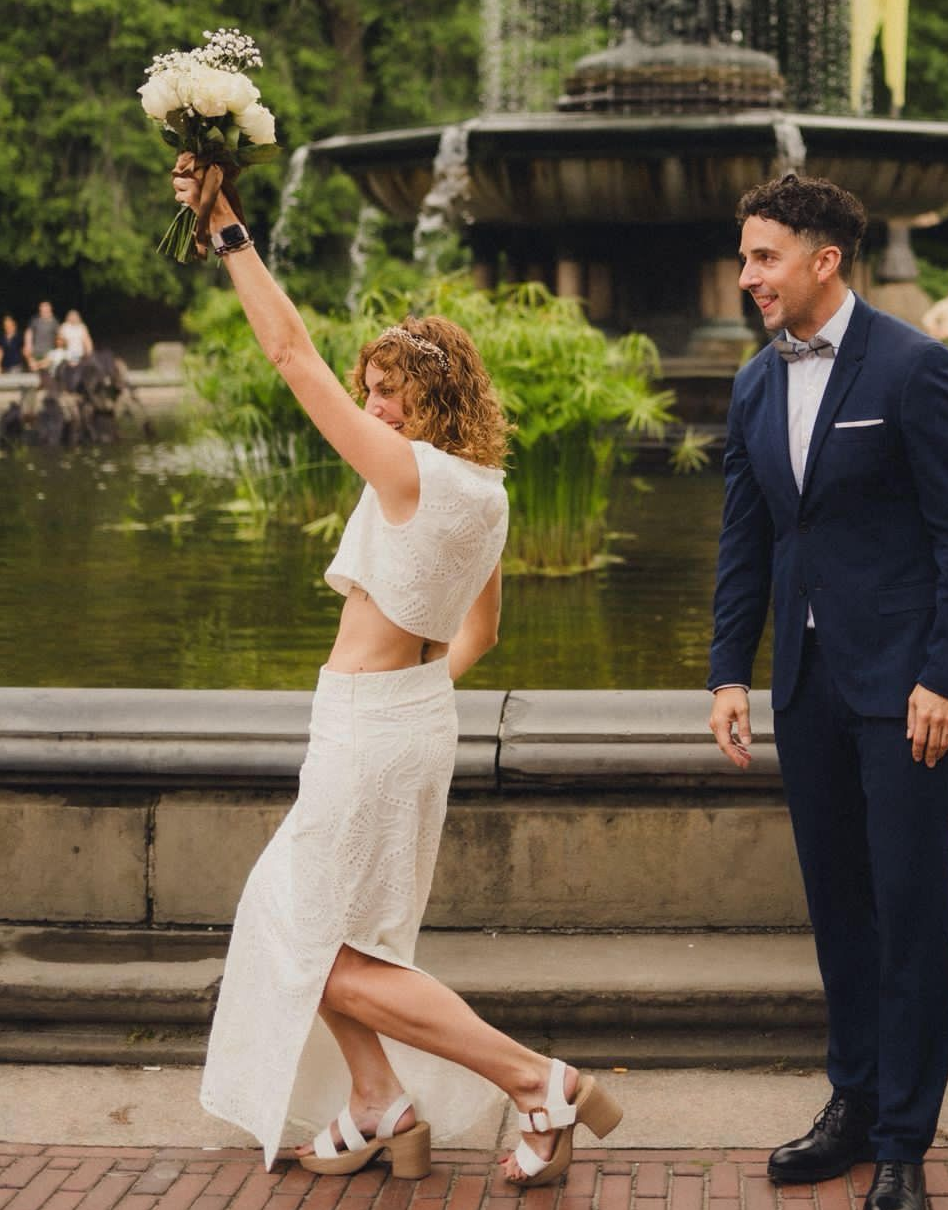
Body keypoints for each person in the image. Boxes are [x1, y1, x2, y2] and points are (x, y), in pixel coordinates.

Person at [170, 157, 622, 1185]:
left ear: (430, 401)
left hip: (371, 729)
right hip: (407, 719)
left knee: (319, 950)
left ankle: (538, 1081)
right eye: (368, 390)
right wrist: (413, 696)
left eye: (386, 392)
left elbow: (288, 353)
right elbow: (483, 630)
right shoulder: (488, 492)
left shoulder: (412, 473)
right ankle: (380, 1100)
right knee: (313, 930)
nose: (369, 408)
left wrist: (227, 226)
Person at [708, 174, 948, 1210]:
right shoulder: (754, 381)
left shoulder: (917, 368)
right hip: (807, 686)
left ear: (823, 259)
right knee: (837, 906)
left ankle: (902, 1144)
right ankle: (849, 1104)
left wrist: (946, 674)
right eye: (746, 258)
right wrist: (725, 674)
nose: (748, 276)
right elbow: (748, 540)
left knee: (908, 911)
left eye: (763, 258)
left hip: (905, 689)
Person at [22, 300, 59, 370]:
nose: (44, 309)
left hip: (48, 352)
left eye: (46, 307)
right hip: (36, 351)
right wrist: (28, 345)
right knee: (25, 350)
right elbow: (28, 333)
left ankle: (37, 365)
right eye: (43, 307)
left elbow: (59, 336)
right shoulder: (35, 320)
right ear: (40, 309)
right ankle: (34, 364)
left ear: (50, 309)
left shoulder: (54, 322)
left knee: (54, 356)